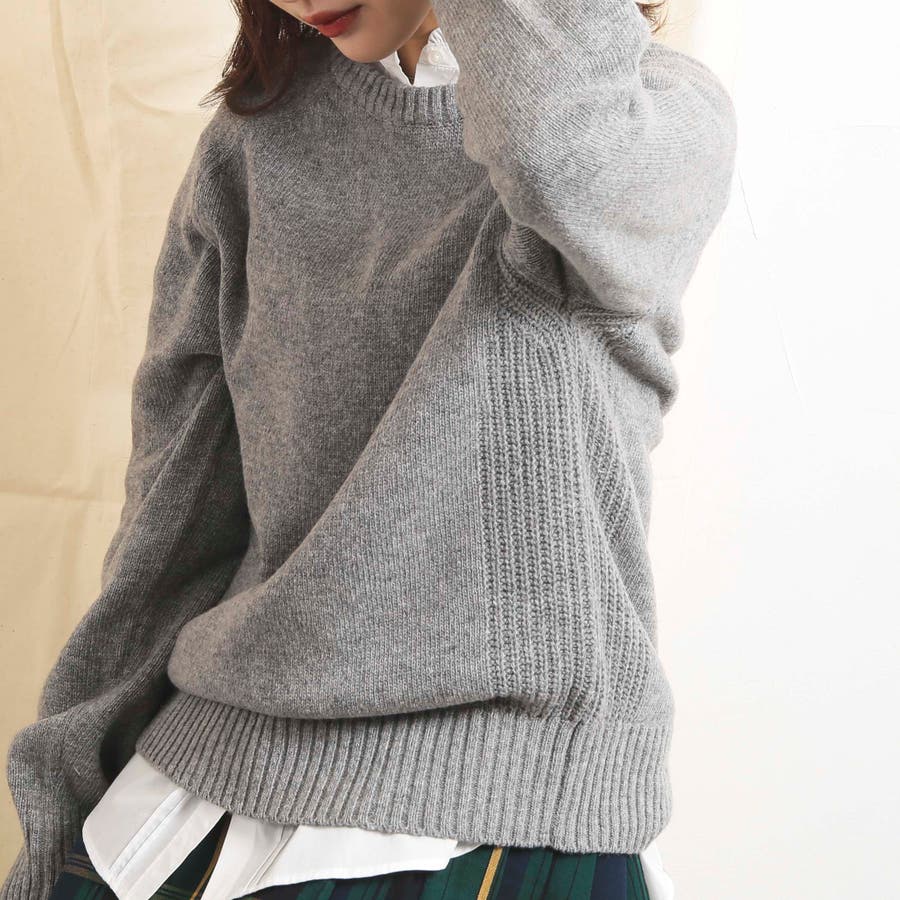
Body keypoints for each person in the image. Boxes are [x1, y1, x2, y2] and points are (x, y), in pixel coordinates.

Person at [1, 0, 737, 897]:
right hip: (184, 816)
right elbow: (168, 534)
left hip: (503, 826)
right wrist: (54, 824)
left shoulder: (653, 124)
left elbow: (557, 155)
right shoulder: (252, 145)